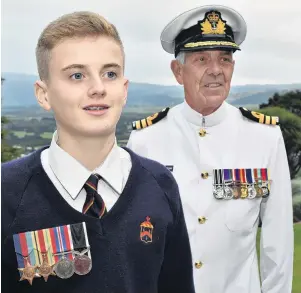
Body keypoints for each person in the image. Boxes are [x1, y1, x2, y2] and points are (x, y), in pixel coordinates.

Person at [1, 11, 195, 293]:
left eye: (110, 74)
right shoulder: (7, 191)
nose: (98, 88)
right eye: (77, 75)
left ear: (124, 89)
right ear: (44, 94)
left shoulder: (159, 184)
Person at [127, 5, 294, 293]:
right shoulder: (145, 141)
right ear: (178, 71)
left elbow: (277, 246)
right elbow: (132, 241)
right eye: (202, 59)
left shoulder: (265, 137)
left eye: (225, 60)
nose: (216, 70)